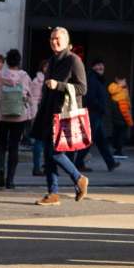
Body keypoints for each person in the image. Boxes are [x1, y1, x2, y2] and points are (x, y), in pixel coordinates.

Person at [32, 28, 89, 206]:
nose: (53, 42)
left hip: (64, 114)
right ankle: (53, 193)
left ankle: (79, 178)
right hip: (48, 113)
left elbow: (82, 88)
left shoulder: (73, 60)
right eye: (51, 39)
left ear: (66, 40)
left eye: (57, 39)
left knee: (54, 153)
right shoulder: (51, 61)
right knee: (48, 156)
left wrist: (59, 85)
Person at [0, 49, 32, 190]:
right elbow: (29, 94)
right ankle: (10, 180)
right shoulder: (24, 76)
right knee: (14, 147)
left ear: (7, 62)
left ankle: (0, 169)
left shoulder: (0, 75)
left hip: (1, 115)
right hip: (19, 116)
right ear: (19, 61)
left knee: (1, 144)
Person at [77, 60, 118, 173]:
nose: (100, 67)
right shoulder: (93, 79)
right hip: (93, 113)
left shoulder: (98, 79)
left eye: (101, 65)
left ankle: (111, 163)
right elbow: (90, 98)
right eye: (97, 65)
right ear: (93, 67)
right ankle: (78, 162)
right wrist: (100, 107)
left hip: (96, 114)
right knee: (89, 140)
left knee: (101, 140)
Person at [29, 60, 47, 176]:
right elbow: (33, 99)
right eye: (46, 66)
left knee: (45, 142)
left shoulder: (48, 79)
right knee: (39, 142)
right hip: (39, 114)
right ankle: (36, 167)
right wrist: (34, 115)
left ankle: (45, 166)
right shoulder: (37, 81)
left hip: (45, 113)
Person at [107, 75, 133, 159]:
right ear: (116, 79)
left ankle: (118, 149)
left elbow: (127, 100)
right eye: (121, 79)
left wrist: (129, 108)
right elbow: (112, 91)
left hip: (124, 112)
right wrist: (121, 86)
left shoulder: (124, 89)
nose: (123, 81)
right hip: (118, 112)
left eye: (124, 80)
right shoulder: (114, 86)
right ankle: (118, 150)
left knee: (121, 132)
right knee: (119, 132)